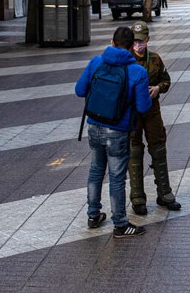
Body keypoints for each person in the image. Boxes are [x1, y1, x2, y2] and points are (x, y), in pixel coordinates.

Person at [75, 27, 152, 236]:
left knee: (96, 170)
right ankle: (120, 223)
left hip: (94, 125)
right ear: (130, 47)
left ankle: (93, 215)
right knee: (117, 178)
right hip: (117, 130)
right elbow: (144, 107)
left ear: (112, 42)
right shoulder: (137, 71)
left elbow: (79, 90)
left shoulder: (96, 62)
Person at [127, 21, 181, 215]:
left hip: (152, 110)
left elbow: (166, 80)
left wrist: (158, 88)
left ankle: (164, 193)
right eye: (134, 41)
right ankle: (137, 197)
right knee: (134, 151)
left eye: (141, 41)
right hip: (132, 112)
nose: (138, 44)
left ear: (148, 40)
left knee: (158, 148)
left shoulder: (155, 59)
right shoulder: (126, 60)